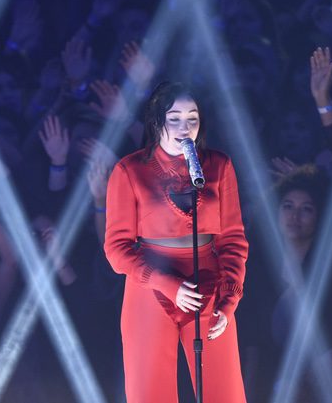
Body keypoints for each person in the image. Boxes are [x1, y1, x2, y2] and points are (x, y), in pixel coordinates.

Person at [104, 81, 248, 402]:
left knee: (224, 393)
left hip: (209, 287)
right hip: (150, 290)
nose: (186, 127)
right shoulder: (130, 170)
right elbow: (117, 249)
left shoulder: (219, 166)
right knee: (150, 393)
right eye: (175, 118)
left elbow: (234, 240)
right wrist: (167, 284)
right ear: (157, 122)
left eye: (193, 118)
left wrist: (229, 299)